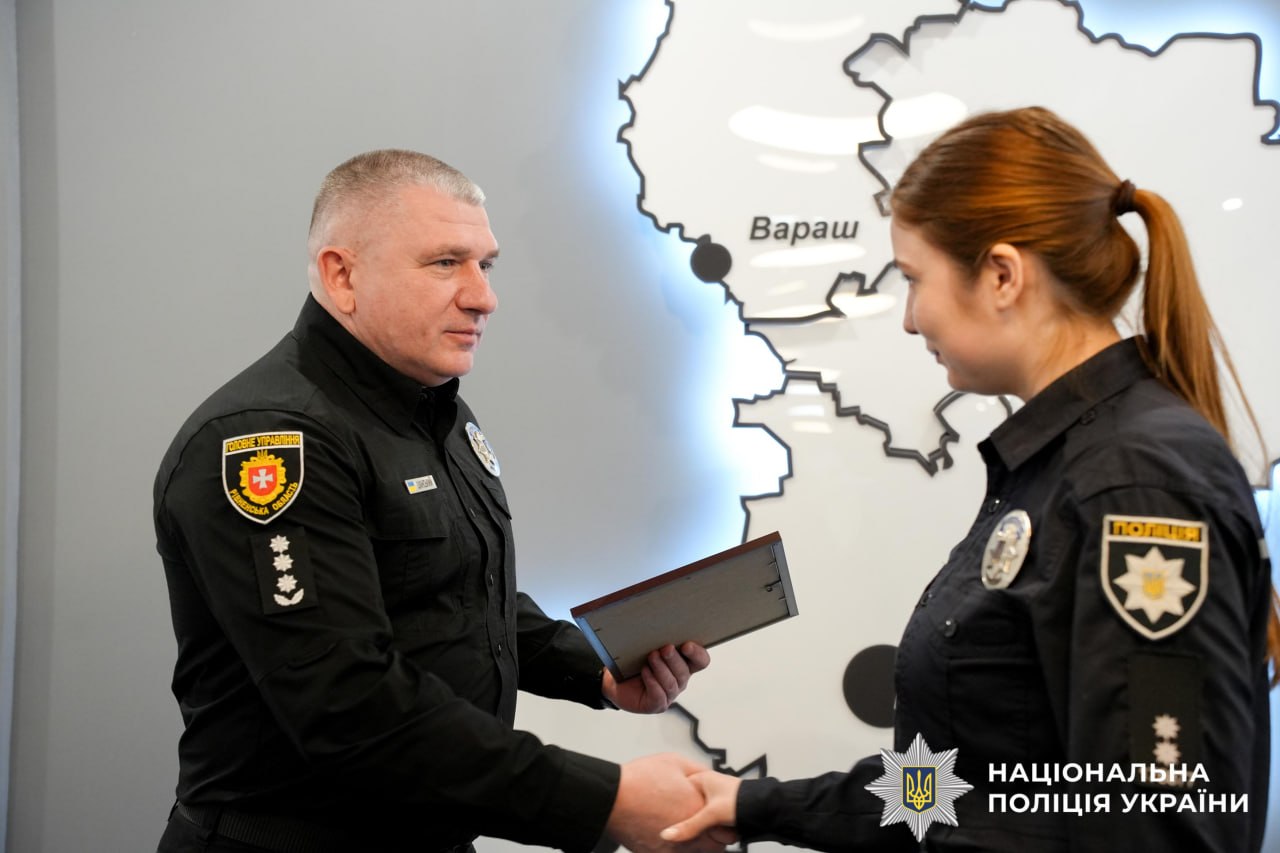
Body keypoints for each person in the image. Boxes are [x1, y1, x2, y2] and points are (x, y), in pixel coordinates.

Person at [661, 106, 1276, 851]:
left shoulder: (1135, 483)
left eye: (914, 279)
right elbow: (974, 788)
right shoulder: (1064, 464)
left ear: (1002, 276)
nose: (909, 319)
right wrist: (757, 804)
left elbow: (1162, 821)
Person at [153, 149, 722, 853]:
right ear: (342, 275)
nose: (483, 296)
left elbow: (459, 593)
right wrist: (604, 800)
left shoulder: (436, 411)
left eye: (486, 265)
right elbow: (348, 703)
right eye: (446, 262)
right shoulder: (272, 442)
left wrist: (596, 668)